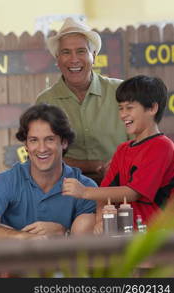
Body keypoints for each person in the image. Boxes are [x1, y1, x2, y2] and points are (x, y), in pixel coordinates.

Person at [62, 75, 174, 233]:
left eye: (129, 108)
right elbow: (104, 193)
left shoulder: (162, 146)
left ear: (152, 108)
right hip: (123, 228)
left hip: (153, 232)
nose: (122, 114)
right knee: (83, 223)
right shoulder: (123, 149)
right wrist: (100, 219)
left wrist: (84, 191)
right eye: (120, 108)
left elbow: (133, 193)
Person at [36, 17, 128, 184]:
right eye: (66, 52)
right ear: (57, 59)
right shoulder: (45, 102)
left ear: (94, 56)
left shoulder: (120, 92)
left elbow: (141, 143)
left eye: (81, 51)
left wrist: (116, 167)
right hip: (67, 192)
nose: (74, 59)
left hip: (122, 186)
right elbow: (43, 156)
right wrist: (96, 166)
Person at [0, 104, 97, 239]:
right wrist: (24, 237)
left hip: (65, 259)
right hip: (16, 259)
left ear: (64, 142)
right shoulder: (6, 181)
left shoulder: (85, 188)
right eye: (34, 140)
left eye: (49, 139)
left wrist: (64, 233)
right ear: (26, 145)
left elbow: (88, 243)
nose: (41, 149)